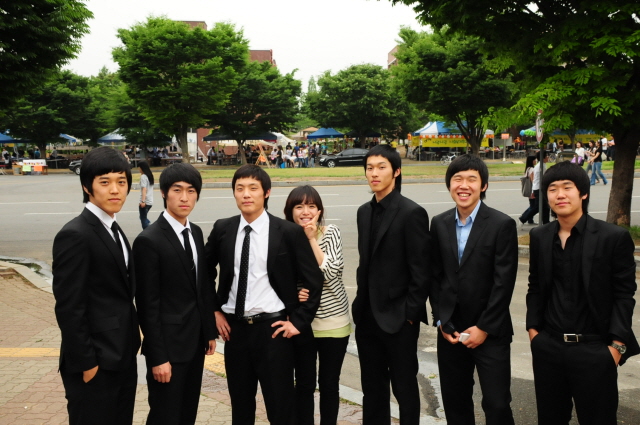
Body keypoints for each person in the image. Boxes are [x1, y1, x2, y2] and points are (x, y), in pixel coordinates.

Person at [205, 165, 323, 425]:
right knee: (241, 408)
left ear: (266, 192)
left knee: (280, 409)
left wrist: (298, 322)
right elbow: (204, 272)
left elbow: (314, 279)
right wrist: (214, 311)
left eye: (253, 188)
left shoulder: (287, 232)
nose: (246, 194)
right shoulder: (223, 229)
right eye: (240, 189)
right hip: (234, 332)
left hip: (273, 332)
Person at [526, 161, 639, 425]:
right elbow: (535, 287)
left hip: (595, 349)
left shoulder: (613, 237)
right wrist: (534, 333)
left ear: (583, 193)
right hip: (549, 348)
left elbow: (624, 295)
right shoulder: (540, 236)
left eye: (567, 187)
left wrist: (615, 348)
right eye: (552, 189)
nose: (560, 195)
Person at [52, 146, 140, 425]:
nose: (115, 190)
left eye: (121, 182)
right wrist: (87, 363)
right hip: (95, 364)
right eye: (105, 182)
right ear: (86, 186)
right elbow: (69, 307)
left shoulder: (113, 228)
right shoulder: (75, 234)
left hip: (122, 356)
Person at [430, 154, 517, 425]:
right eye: (457, 179)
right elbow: (435, 276)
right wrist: (442, 321)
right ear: (449, 185)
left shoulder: (501, 224)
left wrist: (484, 327)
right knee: (455, 403)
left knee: (497, 404)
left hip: (490, 330)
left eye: (471, 179)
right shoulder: (439, 223)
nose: (463, 185)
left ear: (484, 185)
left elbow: (504, 282)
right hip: (451, 331)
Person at [133, 163, 217, 424]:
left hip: (195, 344)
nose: (184, 198)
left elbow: (201, 287)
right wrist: (158, 357)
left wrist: (208, 331)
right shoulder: (149, 240)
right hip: (168, 349)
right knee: (165, 415)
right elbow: (147, 304)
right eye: (177, 190)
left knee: (187, 413)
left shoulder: (195, 232)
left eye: (191, 191)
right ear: (164, 193)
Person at [352, 144, 430, 425]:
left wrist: (410, 314)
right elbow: (365, 263)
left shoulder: (412, 212)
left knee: (404, 387)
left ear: (396, 171)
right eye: (369, 168)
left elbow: (421, 271)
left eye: (381, 167)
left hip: (399, 319)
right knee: (372, 389)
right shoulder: (363, 212)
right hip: (367, 317)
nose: (374, 173)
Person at [284, 185, 351, 425]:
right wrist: (294, 294)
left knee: (329, 384)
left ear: (319, 211)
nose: (305, 212)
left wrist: (312, 239)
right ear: (290, 211)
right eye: (299, 206)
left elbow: (330, 273)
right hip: (302, 324)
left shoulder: (331, 233)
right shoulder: (286, 237)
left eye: (311, 206)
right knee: (304, 384)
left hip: (334, 323)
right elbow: (281, 278)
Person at [518, 155, 538, 226]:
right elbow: (533, 181)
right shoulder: (532, 169)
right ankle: (523, 217)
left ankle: (530, 219)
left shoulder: (528, 169)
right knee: (534, 206)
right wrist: (534, 191)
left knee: (532, 205)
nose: (536, 161)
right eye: (535, 160)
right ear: (532, 161)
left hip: (528, 190)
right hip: (532, 190)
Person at [533, 151, 551, 224]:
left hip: (539, 188)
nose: (548, 157)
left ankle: (546, 222)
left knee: (544, 207)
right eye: (546, 156)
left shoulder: (542, 165)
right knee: (540, 207)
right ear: (543, 158)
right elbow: (545, 178)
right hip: (539, 188)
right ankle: (523, 218)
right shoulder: (541, 166)